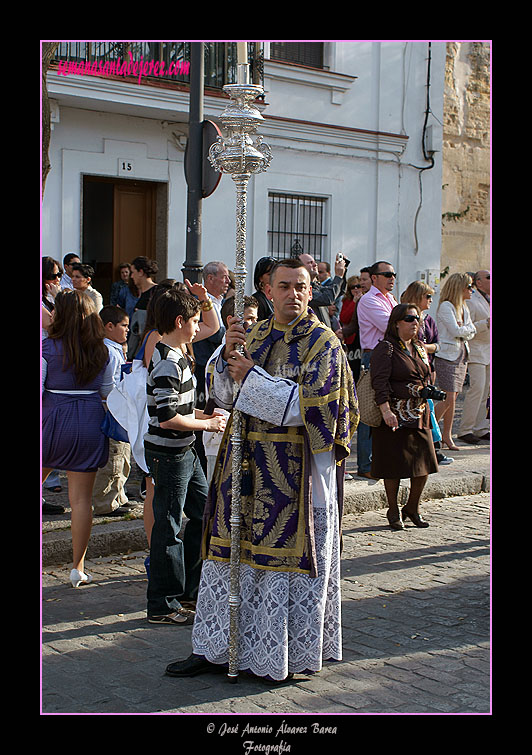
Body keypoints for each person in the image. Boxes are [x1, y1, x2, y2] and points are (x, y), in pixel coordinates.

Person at [165, 258, 358, 681]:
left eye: (301, 287)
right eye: (284, 286)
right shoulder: (251, 334)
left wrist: (252, 377)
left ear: (311, 291)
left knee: (280, 562)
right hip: (244, 466)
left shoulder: (323, 344)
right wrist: (224, 361)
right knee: (227, 553)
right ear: (268, 290)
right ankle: (215, 647)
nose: (294, 293)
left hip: (296, 475)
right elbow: (223, 394)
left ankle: (280, 653)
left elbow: (319, 407)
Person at [143, 288, 227, 625]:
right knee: (169, 526)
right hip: (170, 453)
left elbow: (179, 409)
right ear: (180, 322)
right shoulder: (167, 360)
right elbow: (168, 418)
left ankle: (189, 590)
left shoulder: (178, 353)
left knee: (204, 512)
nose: (198, 327)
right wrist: (206, 427)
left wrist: (204, 418)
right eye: (193, 321)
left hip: (184, 450)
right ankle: (163, 603)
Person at [42, 290, 114, 587]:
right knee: (81, 500)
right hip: (89, 419)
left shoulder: (47, 348)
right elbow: (109, 392)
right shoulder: (104, 350)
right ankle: (78, 568)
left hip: (53, 420)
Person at [370, 303, 439, 530]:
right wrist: (386, 411)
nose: (415, 323)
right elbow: (378, 382)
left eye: (417, 319)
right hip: (394, 415)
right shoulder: (386, 348)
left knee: (424, 464)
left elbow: (426, 375)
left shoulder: (419, 347)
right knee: (393, 465)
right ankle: (393, 509)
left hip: (419, 413)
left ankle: (412, 507)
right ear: (396, 322)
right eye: (409, 319)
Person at [203, 295, 259, 483]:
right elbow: (221, 398)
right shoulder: (218, 357)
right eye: (249, 318)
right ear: (231, 320)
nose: (253, 324)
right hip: (220, 440)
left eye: (256, 319)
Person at [400, 281, 452, 466]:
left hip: (428, 368)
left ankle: (432, 449)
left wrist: (425, 347)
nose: (430, 300)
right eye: (427, 296)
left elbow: (438, 344)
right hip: (410, 371)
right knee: (417, 413)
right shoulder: (406, 317)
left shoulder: (428, 320)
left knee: (429, 410)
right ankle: (428, 450)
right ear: (417, 296)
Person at [355, 260, 398, 478]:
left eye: (394, 274)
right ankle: (366, 464)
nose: (392, 278)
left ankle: (381, 459)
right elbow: (391, 326)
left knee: (386, 405)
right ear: (374, 278)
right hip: (373, 356)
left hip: (388, 355)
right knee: (369, 409)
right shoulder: (368, 300)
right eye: (387, 274)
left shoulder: (389, 298)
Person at [92, 305, 132, 517]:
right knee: (114, 456)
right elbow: (107, 386)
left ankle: (118, 495)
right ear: (109, 327)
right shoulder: (109, 351)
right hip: (112, 407)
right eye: (123, 326)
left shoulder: (115, 349)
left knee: (123, 454)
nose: (127, 330)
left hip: (118, 406)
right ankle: (105, 502)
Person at [192, 261, 231, 473]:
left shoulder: (220, 302)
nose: (228, 281)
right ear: (209, 279)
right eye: (224, 277)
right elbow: (216, 334)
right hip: (203, 369)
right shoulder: (202, 304)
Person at [433, 273, 476, 451]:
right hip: (447, 357)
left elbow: (469, 330)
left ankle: (447, 435)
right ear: (460, 288)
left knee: (454, 397)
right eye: (468, 287)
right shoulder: (446, 307)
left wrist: (465, 329)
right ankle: (431, 427)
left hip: (461, 355)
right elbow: (456, 330)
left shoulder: (463, 307)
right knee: (448, 397)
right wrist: (466, 329)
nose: (471, 290)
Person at [457, 270, 490, 444]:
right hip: (476, 350)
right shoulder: (472, 300)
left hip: (488, 351)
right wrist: (486, 323)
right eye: (488, 277)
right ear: (478, 282)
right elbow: (468, 327)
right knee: (476, 389)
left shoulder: (488, 299)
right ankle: (465, 429)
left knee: (486, 391)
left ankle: (481, 427)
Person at [298, 252, 346, 328]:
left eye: (314, 262)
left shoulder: (317, 286)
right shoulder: (303, 289)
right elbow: (327, 298)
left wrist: (343, 272)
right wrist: (338, 276)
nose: (315, 265)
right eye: (310, 263)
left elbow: (339, 291)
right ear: (301, 268)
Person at [127, 256, 158, 358]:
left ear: (140, 272)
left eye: (133, 272)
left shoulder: (156, 293)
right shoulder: (139, 293)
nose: (131, 276)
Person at [337, 275, 363, 382]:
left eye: (358, 286)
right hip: (351, 338)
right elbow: (344, 318)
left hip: (363, 337)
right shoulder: (347, 301)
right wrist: (354, 303)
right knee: (353, 364)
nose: (356, 289)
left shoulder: (366, 299)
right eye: (353, 287)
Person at [252, 256, 276, 322]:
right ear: (260, 278)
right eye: (270, 274)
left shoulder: (278, 298)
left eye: (276, 274)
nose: (273, 277)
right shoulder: (257, 300)